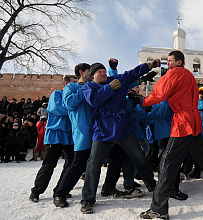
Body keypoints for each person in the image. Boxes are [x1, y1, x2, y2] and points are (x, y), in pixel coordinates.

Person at [140, 50, 203, 219]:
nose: (168, 64)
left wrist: (144, 101)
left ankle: (158, 209)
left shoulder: (176, 73)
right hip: (193, 121)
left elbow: (161, 93)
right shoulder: (188, 75)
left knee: (167, 162)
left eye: (171, 61)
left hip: (183, 122)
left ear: (179, 62)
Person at [80, 61, 158, 214]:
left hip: (123, 128)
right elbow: (94, 101)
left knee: (139, 158)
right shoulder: (89, 87)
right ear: (93, 75)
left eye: (104, 71)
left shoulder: (116, 80)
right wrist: (109, 88)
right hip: (102, 131)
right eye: (99, 72)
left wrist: (148, 66)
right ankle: (87, 200)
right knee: (93, 165)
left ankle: (152, 185)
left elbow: (132, 73)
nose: (103, 73)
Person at [29, 76, 77, 203]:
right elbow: (57, 109)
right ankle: (36, 191)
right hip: (55, 134)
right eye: (74, 82)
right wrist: (74, 107)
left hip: (69, 135)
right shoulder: (57, 94)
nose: (76, 85)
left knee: (70, 164)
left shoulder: (74, 96)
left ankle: (60, 190)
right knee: (49, 165)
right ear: (66, 83)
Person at [52, 63, 93, 208]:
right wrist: (84, 89)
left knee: (94, 165)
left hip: (96, 132)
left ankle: (97, 192)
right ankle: (59, 193)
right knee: (77, 164)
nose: (92, 74)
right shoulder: (72, 87)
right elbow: (69, 103)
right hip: (82, 132)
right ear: (82, 72)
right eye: (90, 71)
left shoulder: (92, 86)